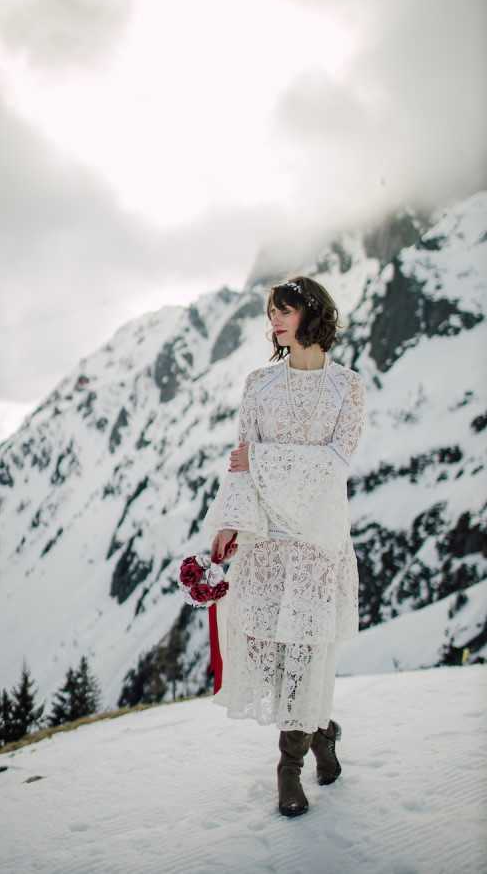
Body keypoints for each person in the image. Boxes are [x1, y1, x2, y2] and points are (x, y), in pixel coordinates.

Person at [203, 275, 367, 818]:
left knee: (305, 653)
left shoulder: (349, 389)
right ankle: (324, 731)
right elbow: (240, 462)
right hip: (266, 544)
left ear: (311, 314)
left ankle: (288, 768)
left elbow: (334, 466)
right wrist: (228, 523)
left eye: (286, 310)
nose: (274, 320)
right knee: (275, 661)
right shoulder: (258, 385)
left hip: (317, 544)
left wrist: (262, 460)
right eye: (271, 311)